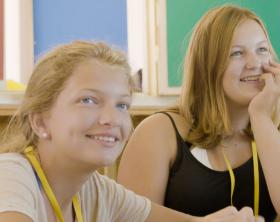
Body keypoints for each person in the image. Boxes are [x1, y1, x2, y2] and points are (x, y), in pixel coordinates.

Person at [0, 41, 262, 222]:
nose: (111, 118)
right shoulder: (11, 176)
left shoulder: (98, 191)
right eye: (88, 100)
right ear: (40, 122)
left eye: (122, 104)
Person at [117, 5, 280, 222]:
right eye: (237, 53)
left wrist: (261, 118)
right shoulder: (158, 131)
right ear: (207, 66)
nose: (254, 64)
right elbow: (128, 218)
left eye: (262, 50)